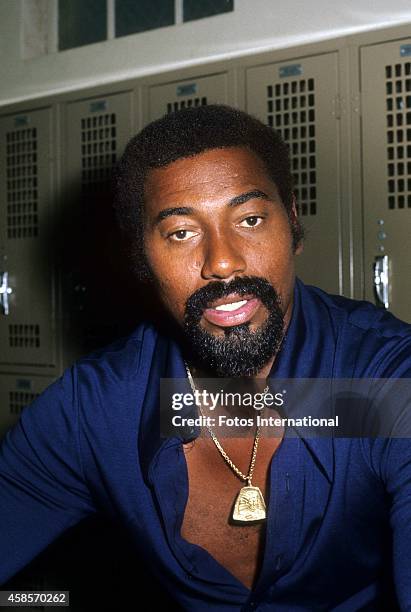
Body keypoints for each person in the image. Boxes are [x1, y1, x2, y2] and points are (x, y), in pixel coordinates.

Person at [1, 104, 410, 610]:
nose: (222, 262)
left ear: (294, 225)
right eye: (181, 232)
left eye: (250, 219)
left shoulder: (386, 380)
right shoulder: (93, 409)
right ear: (142, 260)